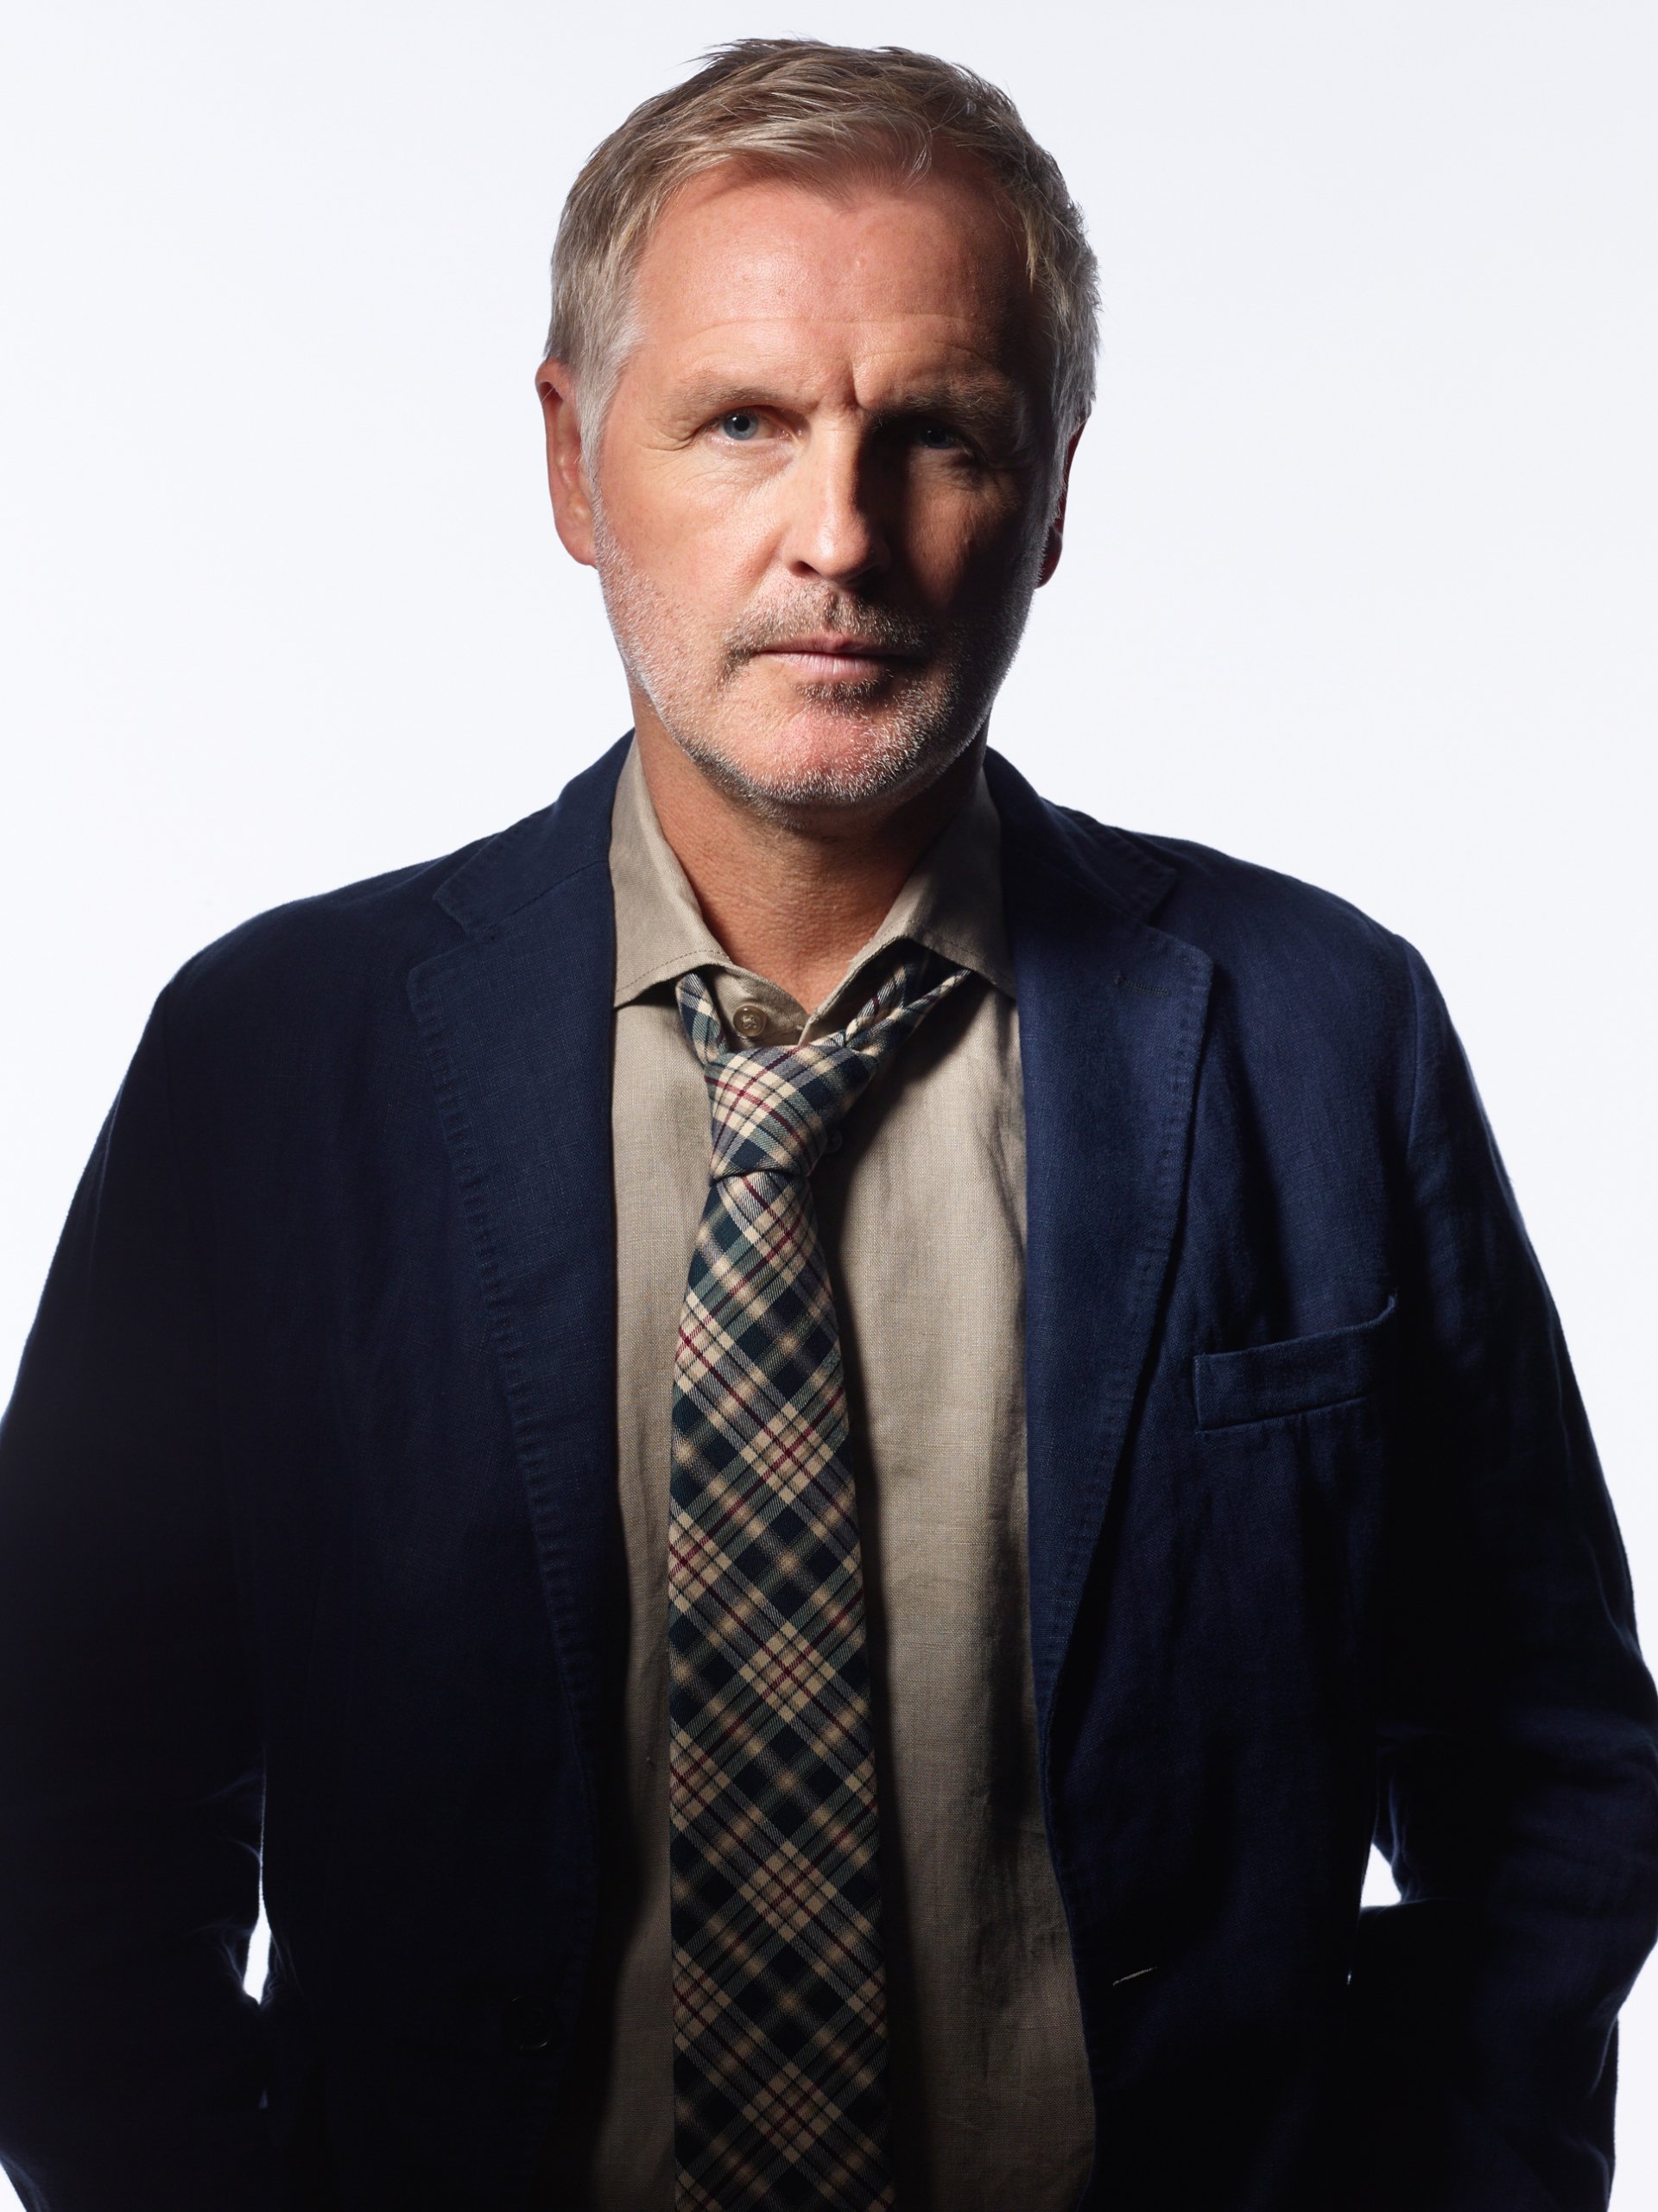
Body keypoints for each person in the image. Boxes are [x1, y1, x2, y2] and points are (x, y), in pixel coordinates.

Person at [0, 34, 1653, 2212]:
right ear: (580, 465)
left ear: (1054, 492)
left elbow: (1539, 1757)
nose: (842, 538)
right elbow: (64, 1797)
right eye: (745, 423)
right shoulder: (272, 1059)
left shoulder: (1321, 1029)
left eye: (940, 434)